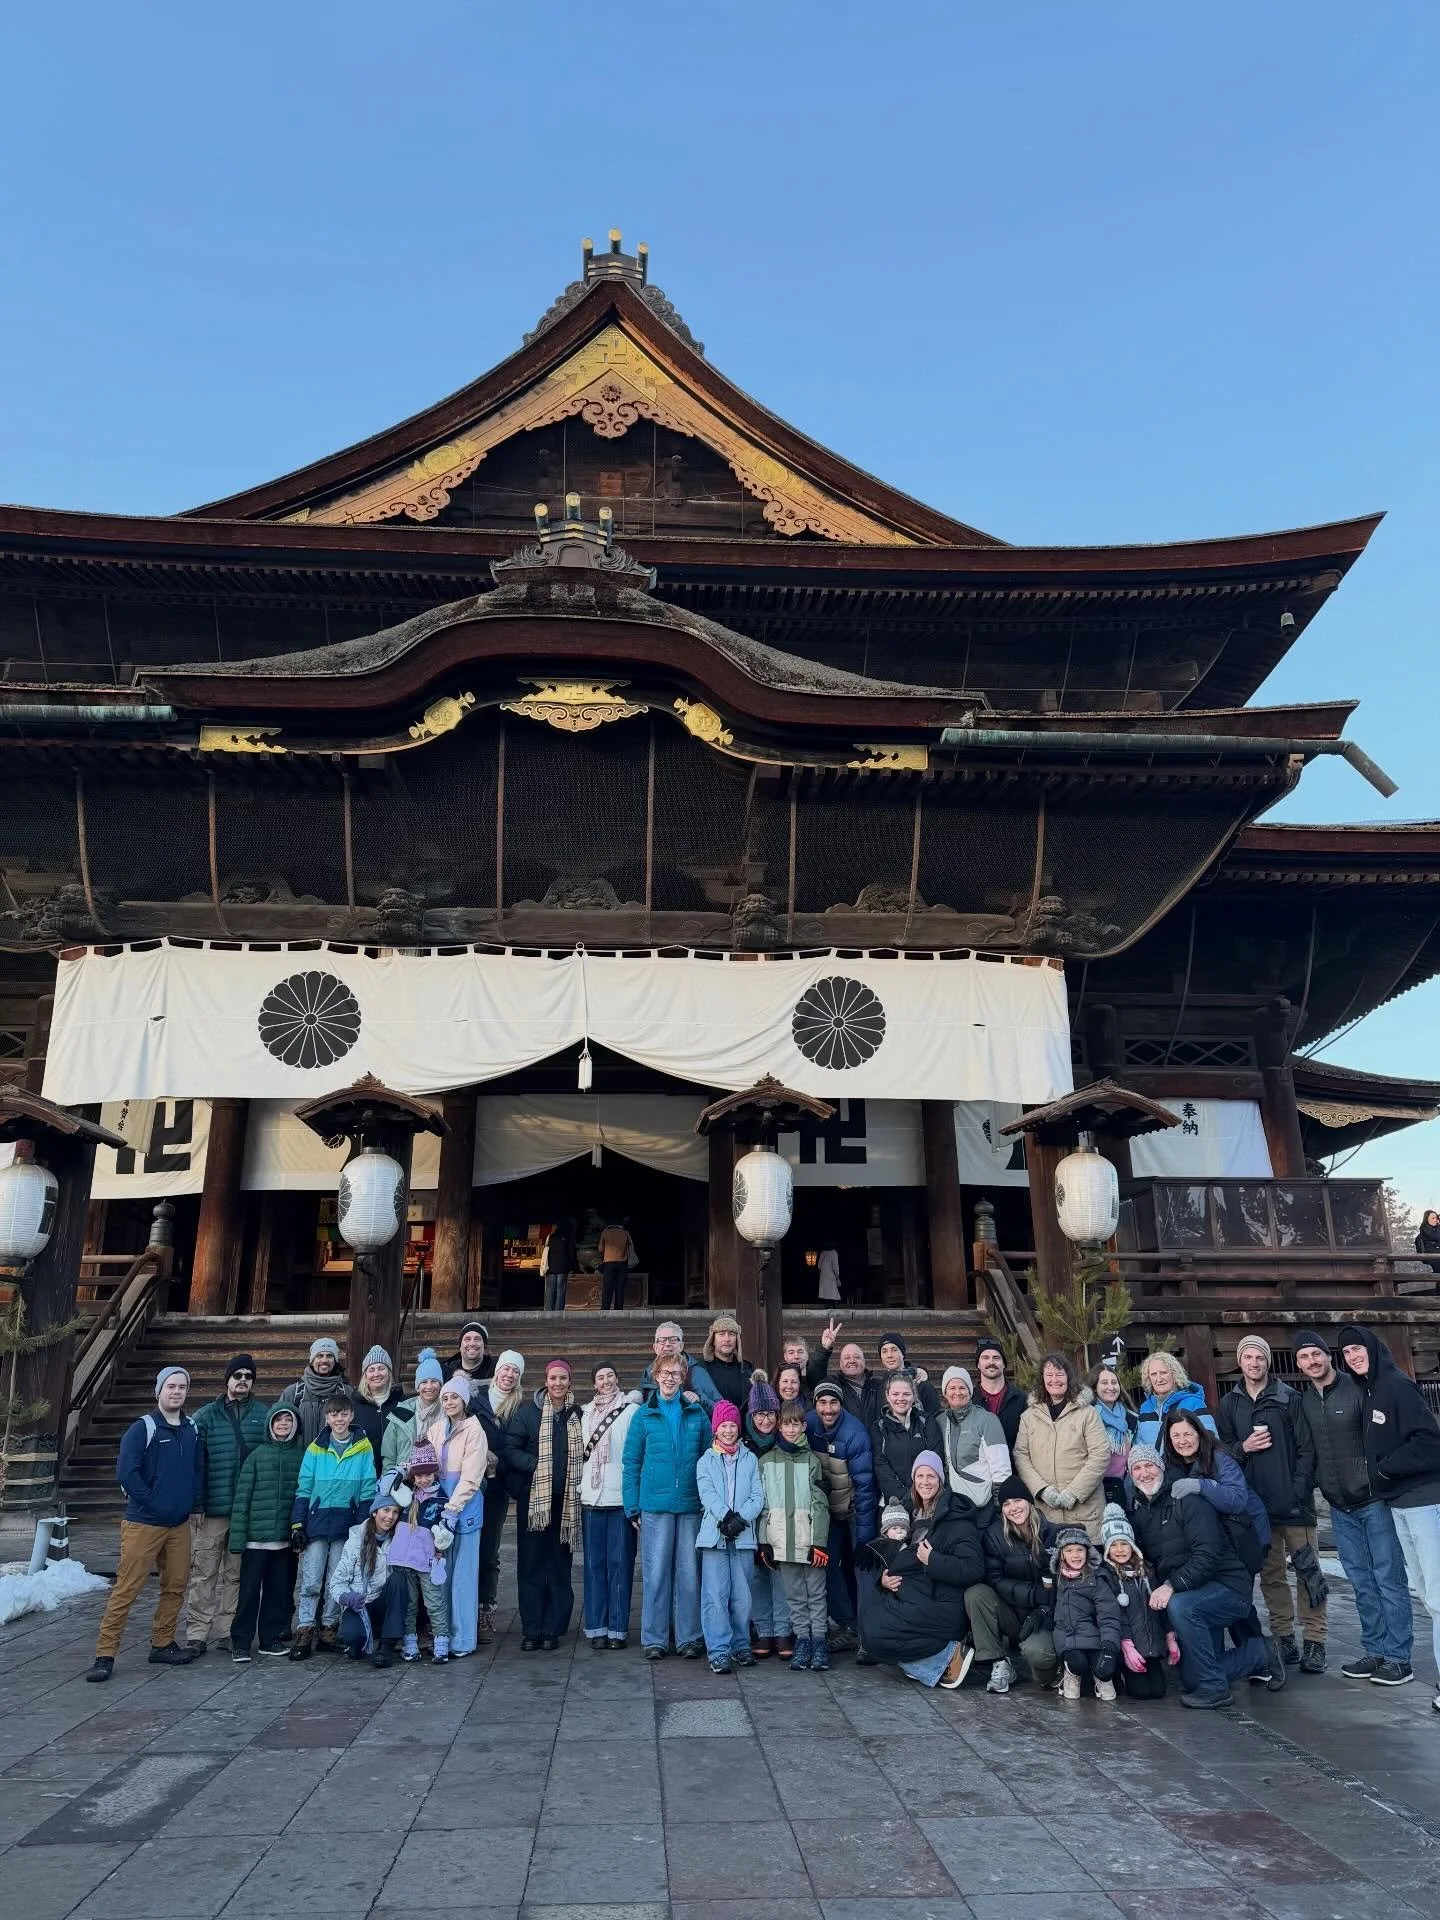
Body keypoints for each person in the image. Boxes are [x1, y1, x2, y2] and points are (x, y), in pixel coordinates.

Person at [1295, 1330, 1416, 1686]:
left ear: (1328, 1356)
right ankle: (1375, 1649)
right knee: (1361, 1581)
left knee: (1388, 1578)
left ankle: (1399, 1658)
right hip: (1338, 1504)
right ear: (1298, 1364)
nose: (1311, 1362)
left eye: (1316, 1354)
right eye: (1304, 1357)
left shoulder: (1358, 1389)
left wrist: (1381, 1475)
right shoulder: (1305, 1401)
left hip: (1372, 1499)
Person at [1126, 1442, 1284, 1709]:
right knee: (1191, 1679)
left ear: (1162, 1467)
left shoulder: (1187, 1500)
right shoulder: (1141, 1510)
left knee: (1180, 1606)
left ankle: (1214, 1690)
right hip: (1195, 1593)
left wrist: (1171, 1586)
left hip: (1227, 1587)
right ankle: (1262, 1652)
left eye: (1149, 1465)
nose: (1144, 1473)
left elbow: (1208, 1554)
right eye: (1137, 1468)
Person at [1338, 1321, 1440, 1699]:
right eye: (1346, 1353)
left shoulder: (1396, 1386)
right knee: (1428, 1593)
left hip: (1424, 1501)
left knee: (1438, 1594)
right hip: (1399, 1503)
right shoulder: (1370, 1391)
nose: (1352, 1356)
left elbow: (1429, 1441)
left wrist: (1384, 1468)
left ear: (1372, 1348)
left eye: (1357, 1348)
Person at [86, 1365, 205, 1682]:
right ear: (159, 1391)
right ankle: (105, 1654)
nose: (177, 1392)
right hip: (144, 1523)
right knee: (127, 1588)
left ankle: (162, 1643)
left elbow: (196, 1470)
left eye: (182, 1387)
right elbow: (127, 1473)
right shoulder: (143, 1428)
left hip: (179, 1525)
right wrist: (154, 1502)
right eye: (171, 1386)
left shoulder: (191, 1428)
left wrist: (194, 1504)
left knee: (176, 1585)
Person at [1217, 1333, 1326, 1673]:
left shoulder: (1289, 1398)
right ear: (1240, 1362)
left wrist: (1298, 1491)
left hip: (1294, 1505)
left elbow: (1308, 1450)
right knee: (1271, 1575)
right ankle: (1283, 1637)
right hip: (1255, 1508)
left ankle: (1315, 1640)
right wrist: (1244, 1448)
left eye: (1260, 1357)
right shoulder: (1230, 1404)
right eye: (1248, 1357)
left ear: (1268, 1361)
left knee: (1309, 1573)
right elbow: (1222, 1453)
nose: (1254, 1363)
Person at [858, 1451, 982, 1689]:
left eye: (931, 1476)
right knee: (868, 1627)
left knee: (874, 1633)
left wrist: (932, 1560)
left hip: (942, 1604)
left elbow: (973, 1568)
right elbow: (896, 1557)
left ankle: (944, 1656)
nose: (925, 1482)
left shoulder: (956, 1518)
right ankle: (939, 1662)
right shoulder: (908, 1514)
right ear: (913, 1480)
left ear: (941, 1480)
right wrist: (882, 1580)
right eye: (920, 1476)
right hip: (917, 1599)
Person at [623, 1353, 709, 1660]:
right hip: (655, 1505)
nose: (670, 1377)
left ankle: (688, 1637)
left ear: (684, 1376)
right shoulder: (643, 1415)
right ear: (656, 1376)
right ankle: (654, 1638)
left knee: (688, 1574)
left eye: (676, 1372)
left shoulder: (697, 1413)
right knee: (656, 1574)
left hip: (689, 1505)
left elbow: (708, 1458)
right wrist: (632, 1506)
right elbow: (631, 1462)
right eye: (665, 1372)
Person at [184, 1352, 270, 1655]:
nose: (243, 1381)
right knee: (204, 1571)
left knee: (236, 1574)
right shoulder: (205, 1416)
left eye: (248, 1376)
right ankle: (197, 1631)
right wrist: (195, 1504)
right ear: (227, 1380)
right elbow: (195, 1463)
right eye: (238, 1375)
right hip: (212, 1509)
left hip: (244, 1510)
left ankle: (226, 1630)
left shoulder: (263, 1414)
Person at [289, 1389, 376, 1659]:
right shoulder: (316, 1449)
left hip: (345, 1523)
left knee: (336, 1580)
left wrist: (362, 1525)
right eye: (333, 1414)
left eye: (344, 1414)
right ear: (327, 1417)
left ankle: (329, 1627)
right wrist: (297, 1524)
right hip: (317, 1523)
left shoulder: (363, 1447)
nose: (339, 1419)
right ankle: (305, 1629)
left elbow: (367, 1488)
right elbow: (304, 1487)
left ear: (351, 1416)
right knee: (312, 1579)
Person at [509, 1359, 583, 1650]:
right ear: (545, 1380)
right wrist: (535, 1465)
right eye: (553, 1378)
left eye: (563, 1378)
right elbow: (510, 1448)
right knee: (531, 1565)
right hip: (534, 1503)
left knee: (559, 1566)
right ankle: (532, 1629)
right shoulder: (529, 1413)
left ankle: (553, 1629)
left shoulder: (578, 1414)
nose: (558, 1383)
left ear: (570, 1382)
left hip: (565, 1502)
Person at [965, 1476, 1059, 1694]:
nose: (1013, 1508)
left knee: (1041, 1659)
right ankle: (998, 1660)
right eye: (1006, 1504)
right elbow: (994, 1579)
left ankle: (1053, 1671)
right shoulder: (994, 1535)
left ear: (1029, 1502)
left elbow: (1060, 1582)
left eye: (1017, 1501)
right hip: (1012, 1611)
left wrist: (1044, 1608)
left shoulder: (1051, 1533)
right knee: (976, 1594)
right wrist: (1033, 1594)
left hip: (1042, 1614)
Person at [757, 1399, 832, 1670]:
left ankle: (820, 1642)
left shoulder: (812, 1460)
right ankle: (803, 1640)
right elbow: (763, 1505)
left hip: (808, 1538)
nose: (791, 1429)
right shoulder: (766, 1462)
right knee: (795, 1596)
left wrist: (819, 1541)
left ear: (803, 1426)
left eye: (796, 1424)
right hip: (781, 1541)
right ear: (779, 1426)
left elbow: (820, 1503)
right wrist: (763, 1541)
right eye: (786, 1424)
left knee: (816, 1593)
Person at [227, 1402, 303, 1662]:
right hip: (256, 1541)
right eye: (278, 1420)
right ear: (270, 1424)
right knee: (248, 1594)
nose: (283, 1425)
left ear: (295, 1425)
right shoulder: (257, 1456)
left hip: (284, 1541)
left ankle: (269, 1639)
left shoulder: (301, 1455)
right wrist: (238, 1539)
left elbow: (303, 1496)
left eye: (288, 1420)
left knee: (277, 1593)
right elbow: (242, 1499)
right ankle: (240, 1641)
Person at [807, 1378, 878, 1649]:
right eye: (822, 1402)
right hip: (826, 1509)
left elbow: (865, 1488)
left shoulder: (855, 1434)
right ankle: (846, 1622)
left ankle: (867, 1629)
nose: (828, 1409)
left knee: (862, 1567)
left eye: (833, 1402)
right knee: (826, 1563)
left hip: (851, 1509)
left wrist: (864, 1537)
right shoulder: (809, 1424)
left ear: (841, 1404)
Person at [697, 1399, 765, 1673]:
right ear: (716, 1428)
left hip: (743, 1536)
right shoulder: (706, 1460)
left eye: (732, 1425)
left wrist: (741, 1518)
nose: (728, 1430)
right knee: (715, 1595)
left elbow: (757, 1495)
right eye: (723, 1425)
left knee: (742, 1595)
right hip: (715, 1534)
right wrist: (725, 1516)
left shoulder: (750, 1458)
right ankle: (718, 1649)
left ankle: (741, 1645)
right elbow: (707, 1493)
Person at [424, 1373, 489, 1656]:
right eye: (445, 1398)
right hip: (439, 1509)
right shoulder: (436, 1429)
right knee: (442, 1575)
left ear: (464, 1400)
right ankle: (443, 1634)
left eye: (454, 1397)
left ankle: (463, 1639)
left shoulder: (475, 1430)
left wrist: (453, 1509)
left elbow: (472, 1476)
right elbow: (423, 1462)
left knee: (463, 1576)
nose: (449, 1402)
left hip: (464, 1511)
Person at [1013, 1351, 1110, 1538]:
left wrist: (1074, 1492)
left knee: (1086, 1562)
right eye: (1049, 1375)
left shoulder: (1087, 1413)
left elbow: (1100, 1455)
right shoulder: (1029, 1417)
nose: (1054, 1380)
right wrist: (1041, 1489)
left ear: (1069, 1377)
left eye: (1059, 1374)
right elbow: (1021, 1455)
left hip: (1085, 1510)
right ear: (1042, 1379)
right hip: (1046, 1511)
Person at [580, 1364, 641, 1650]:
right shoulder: (584, 1413)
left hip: (619, 1497)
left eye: (610, 1376)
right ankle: (596, 1626)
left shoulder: (630, 1412)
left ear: (618, 1378)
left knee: (620, 1565)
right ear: (594, 1383)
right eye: (600, 1377)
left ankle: (617, 1628)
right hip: (592, 1496)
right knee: (593, 1566)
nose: (605, 1381)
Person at [1098, 1502, 1175, 1700]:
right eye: (1113, 1545)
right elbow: (1113, 1614)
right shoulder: (1107, 1576)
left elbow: (1160, 1608)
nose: (1120, 1550)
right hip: (1130, 1644)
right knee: (1140, 1693)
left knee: (1158, 1692)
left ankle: (1152, 1661)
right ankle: (1121, 1671)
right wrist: (1126, 1644)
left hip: (1152, 1644)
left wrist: (1169, 1635)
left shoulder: (1147, 1571)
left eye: (1124, 1544)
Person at [329, 1487, 409, 1668]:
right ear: (375, 1512)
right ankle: (358, 1641)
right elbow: (336, 1582)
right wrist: (348, 1597)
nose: (390, 1517)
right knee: (352, 1639)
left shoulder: (399, 1539)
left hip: (384, 1602)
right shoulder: (356, 1541)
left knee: (399, 1580)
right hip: (360, 1603)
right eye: (386, 1510)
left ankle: (386, 1646)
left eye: (395, 1512)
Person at [389, 1440, 453, 1662]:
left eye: (428, 1474)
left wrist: (440, 1545)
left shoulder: (442, 1499)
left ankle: (442, 1644)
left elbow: (446, 1528)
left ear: (435, 1472)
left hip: (426, 1559)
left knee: (434, 1602)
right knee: (409, 1603)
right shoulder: (405, 1494)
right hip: (401, 1558)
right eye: (418, 1475)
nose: (423, 1479)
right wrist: (403, 1470)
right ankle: (410, 1644)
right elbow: (383, 1484)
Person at [745, 1374, 794, 1657]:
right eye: (760, 1414)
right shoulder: (743, 1446)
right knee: (757, 1575)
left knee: (780, 1575)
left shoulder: (784, 1443)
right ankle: (763, 1629)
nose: (765, 1420)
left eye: (771, 1414)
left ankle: (783, 1631)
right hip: (752, 1521)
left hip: (780, 1519)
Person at [480, 1349, 527, 1638]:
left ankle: (486, 1609)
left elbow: (519, 1445)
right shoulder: (476, 1402)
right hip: (470, 1485)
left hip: (498, 1487)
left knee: (489, 1551)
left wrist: (501, 1462)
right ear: (497, 1370)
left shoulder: (519, 1408)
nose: (508, 1375)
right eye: (505, 1369)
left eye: (515, 1372)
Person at [1051, 1524, 1123, 1701]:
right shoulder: (1057, 1579)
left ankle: (1101, 1678)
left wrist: (1109, 1647)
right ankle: (1070, 1673)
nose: (1075, 1555)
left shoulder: (1097, 1579)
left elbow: (1108, 1616)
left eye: (1080, 1550)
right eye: (1069, 1550)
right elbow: (1058, 1619)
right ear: (1061, 1554)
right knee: (1077, 1665)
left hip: (1094, 1638)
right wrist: (1063, 1646)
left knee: (1104, 1676)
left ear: (1087, 1552)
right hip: (1068, 1639)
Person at [932, 1366, 1011, 1508]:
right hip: (950, 1502)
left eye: (962, 1387)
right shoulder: (939, 1421)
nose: (957, 1392)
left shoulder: (987, 1419)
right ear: (945, 1392)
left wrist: (999, 1503)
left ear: (970, 1390)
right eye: (952, 1388)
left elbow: (1001, 1466)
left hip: (981, 1503)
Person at [382, 1348, 446, 1474]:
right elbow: (389, 1456)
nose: (429, 1386)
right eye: (424, 1382)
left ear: (440, 1385)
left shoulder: (448, 1412)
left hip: (440, 1479)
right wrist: (390, 1478)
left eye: (434, 1381)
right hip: (405, 1480)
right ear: (417, 1386)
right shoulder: (401, 1413)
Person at [871, 1373, 932, 1503]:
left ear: (914, 1396)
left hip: (926, 1497)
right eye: (895, 1394)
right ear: (887, 1396)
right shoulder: (879, 1427)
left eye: (906, 1394)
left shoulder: (927, 1421)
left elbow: (935, 1458)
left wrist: (920, 1494)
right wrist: (905, 1495)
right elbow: (880, 1464)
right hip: (895, 1500)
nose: (901, 1398)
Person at [1135, 1351, 1216, 1450]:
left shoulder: (1193, 1403)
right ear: (1148, 1378)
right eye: (1153, 1374)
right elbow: (1139, 1446)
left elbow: (1210, 1440)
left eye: (1164, 1372)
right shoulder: (1146, 1408)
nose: (1159, 1379)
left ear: (1175, 1374)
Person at [278, 1336, 348, 1447]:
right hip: (300, 1460)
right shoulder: (293, 1393)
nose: (324, 1360)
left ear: (335, 1361)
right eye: (319, 1356)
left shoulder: (346, 1392)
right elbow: (277, 1429)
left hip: (334, 1461)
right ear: (312, 1360)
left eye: (329, 1356)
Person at [1088, 1360, 1138, 1506]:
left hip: (1125, 1486)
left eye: (1114, 1382)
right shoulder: (1088, 1417)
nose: (1110, 1387)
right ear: (1095, 1387)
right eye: (1104, 1383)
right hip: (1096, 1489)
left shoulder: (1130, 1418)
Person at [640, 1322, 719, 1410]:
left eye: (673, 1340)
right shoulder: (649, 1372)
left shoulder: (696, 1372)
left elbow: (720, 1409)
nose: (667, 1344)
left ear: (681, 1346)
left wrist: (700, 1399)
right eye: (662, 1340)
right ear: (655, 1347)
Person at [350, 1344, 404, 1459]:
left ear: (389, 1372)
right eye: (371, 1369)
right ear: (365, 1375)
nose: (376, 1374)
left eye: (381, 1368)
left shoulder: (402, 1404)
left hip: (395, 1472)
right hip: (363, 1472)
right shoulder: (353, 1405)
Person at [973, 1338, 1027, 1452]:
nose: (991, 1362)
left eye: (996, 1358)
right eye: (985, 1358)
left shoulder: (1022, 1399)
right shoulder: (969, 1400)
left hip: (1014, 1467)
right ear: (978, 1364)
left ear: (1003, 1364)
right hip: (978, 1468)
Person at [876, 1336, 938, 1418]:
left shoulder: (921, 1383)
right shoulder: (879, 1386)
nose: (889, 1355)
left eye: (894, 1350)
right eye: (884, 1351)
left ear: (902, 1354)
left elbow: (935, 1418)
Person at [701, 1314, 750, 1408]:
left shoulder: (747, 1369)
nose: (727, 1339)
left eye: (731, 1334)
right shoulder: (700, 1368)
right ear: (713, 1339)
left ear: (737, 1340)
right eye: (721, 1334)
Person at [443, 1320, 494, 1389]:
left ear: (484, 1345)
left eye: (477, 1339)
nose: (472, 1343)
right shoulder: (446, 1371)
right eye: (467, 1339)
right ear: (460, 1346)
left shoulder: (496, 1372)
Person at [541, 1217, 578, 1313]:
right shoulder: (567, 1238)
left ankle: (549, 1311)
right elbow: (571, 1254)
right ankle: (558, 1312)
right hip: (562, 1268)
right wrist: (574, 1267)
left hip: (551, 1268)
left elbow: (547, 1252)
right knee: (560, 1291)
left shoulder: (551, 1237)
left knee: (550, 1291)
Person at [598, 1217, 635, 1311]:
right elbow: (631, 1246)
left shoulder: (605, 1232)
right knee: (620, 1288)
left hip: (608, 1263)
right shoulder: (625, 1233)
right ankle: (618, 1309)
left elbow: (600, 1249)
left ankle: (605, 1308)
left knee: (607, 1287)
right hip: (622, 1263)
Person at [1416, 1208, 1440, 1273]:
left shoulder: (1438, 1229)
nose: (1435, 1220)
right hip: (1433, 1258)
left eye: (1436, 1218)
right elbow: (1421, 1251)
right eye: (1433, 1218)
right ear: (1427, 1219)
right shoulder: (1421, 1235)